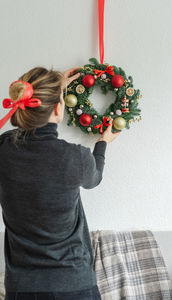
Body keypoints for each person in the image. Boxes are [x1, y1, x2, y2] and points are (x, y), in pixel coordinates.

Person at [0, 66, 120, 300]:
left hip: (21, 288)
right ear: (58, 109)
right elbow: (95, 178)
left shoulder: (3, 150)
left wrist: (54, 90)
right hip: (74, 284)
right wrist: (103, 142)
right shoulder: (75, 157)